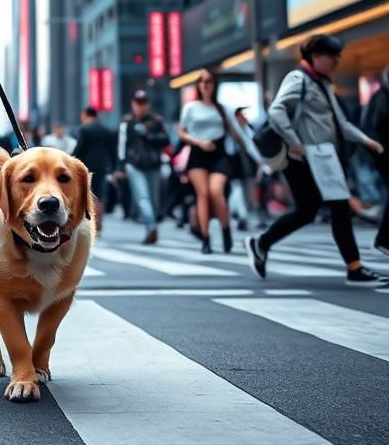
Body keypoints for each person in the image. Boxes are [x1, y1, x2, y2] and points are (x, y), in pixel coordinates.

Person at [246, 36, 387, 286]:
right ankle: (354, 269)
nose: (336, 61)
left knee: (308, 211)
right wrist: (294, 141)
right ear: (316, 56)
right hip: (303, 158)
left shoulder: (321, 83)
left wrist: (368, 142)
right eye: (332, 56)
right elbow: (277, 110)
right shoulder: (298, 78)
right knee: (337, 207)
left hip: (320, 157)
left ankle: (261, 242)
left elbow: (341, 124)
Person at [177, 69, 237, 254]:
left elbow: (237, 133)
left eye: (209, 81)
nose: (205, 84)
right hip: (197, 153)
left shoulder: (222, 108)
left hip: (218, 153)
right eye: (201, 81)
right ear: (197, 85)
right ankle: (206, 238)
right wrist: (198, 142)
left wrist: (258, 155)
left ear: (214, 84)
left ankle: (226, 229)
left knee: (216, 192)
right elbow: (181, 132)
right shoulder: (190, 107)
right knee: (202, 195)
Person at [117, 90, 169, 245]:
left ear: (148, 104)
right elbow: (122, 145)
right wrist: (121, 166)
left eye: (143, 103)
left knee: (153, 201)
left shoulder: (156, 120)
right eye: (137, 103)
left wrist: (149, 134)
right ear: (133, 104)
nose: (140, 107)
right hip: (134, 164)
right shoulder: (127, 122)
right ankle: (151, 227)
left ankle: (151, 229)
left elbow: (165, 140)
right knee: (143, 198)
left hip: (153, 164)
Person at [73, 107, 117, 235]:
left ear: (86, 115)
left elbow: (79, 149)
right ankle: (98, 221)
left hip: (86, 166)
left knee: (86, 193)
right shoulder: (106, 130)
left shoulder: (84, 129)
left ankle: (89, 222)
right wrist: (114, 167)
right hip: (103, 166)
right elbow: (112, 151)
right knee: (100, 195)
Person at [361, 64, 389, 256]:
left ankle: (384, 239)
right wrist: (379, 154)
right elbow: (369, 130)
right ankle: (384, 239)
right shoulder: (381, 98)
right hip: (385, 156)